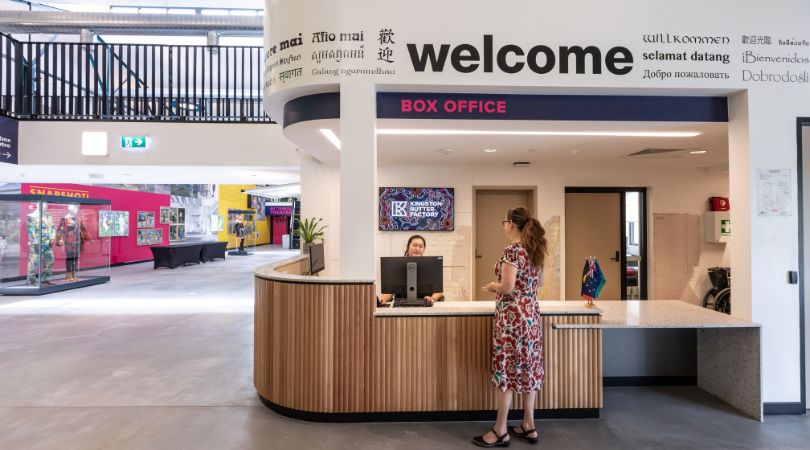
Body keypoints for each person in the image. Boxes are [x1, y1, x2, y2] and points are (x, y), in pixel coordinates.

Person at [473, 207, 547, 448]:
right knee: (528, 368)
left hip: (512, 321)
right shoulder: (534, 250)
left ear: (512, 225)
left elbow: (507, 287)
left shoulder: (512, 251)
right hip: (531, 318)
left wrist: (492, 286)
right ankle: (529, 425)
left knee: (507, 369)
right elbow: (540, 283)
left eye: (504, 222)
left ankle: (500, 430)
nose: (504, 226)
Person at [378, 234, 444, 306]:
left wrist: (432, 298)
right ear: (408, 247)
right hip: (401, 305)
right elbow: (389, 291)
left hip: (425, 305)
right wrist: (383, 299)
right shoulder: (397, 266)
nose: (418, 249)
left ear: (424, 249)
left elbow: (438, 291)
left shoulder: (431, 266)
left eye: (421, 246)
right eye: (415, 245)